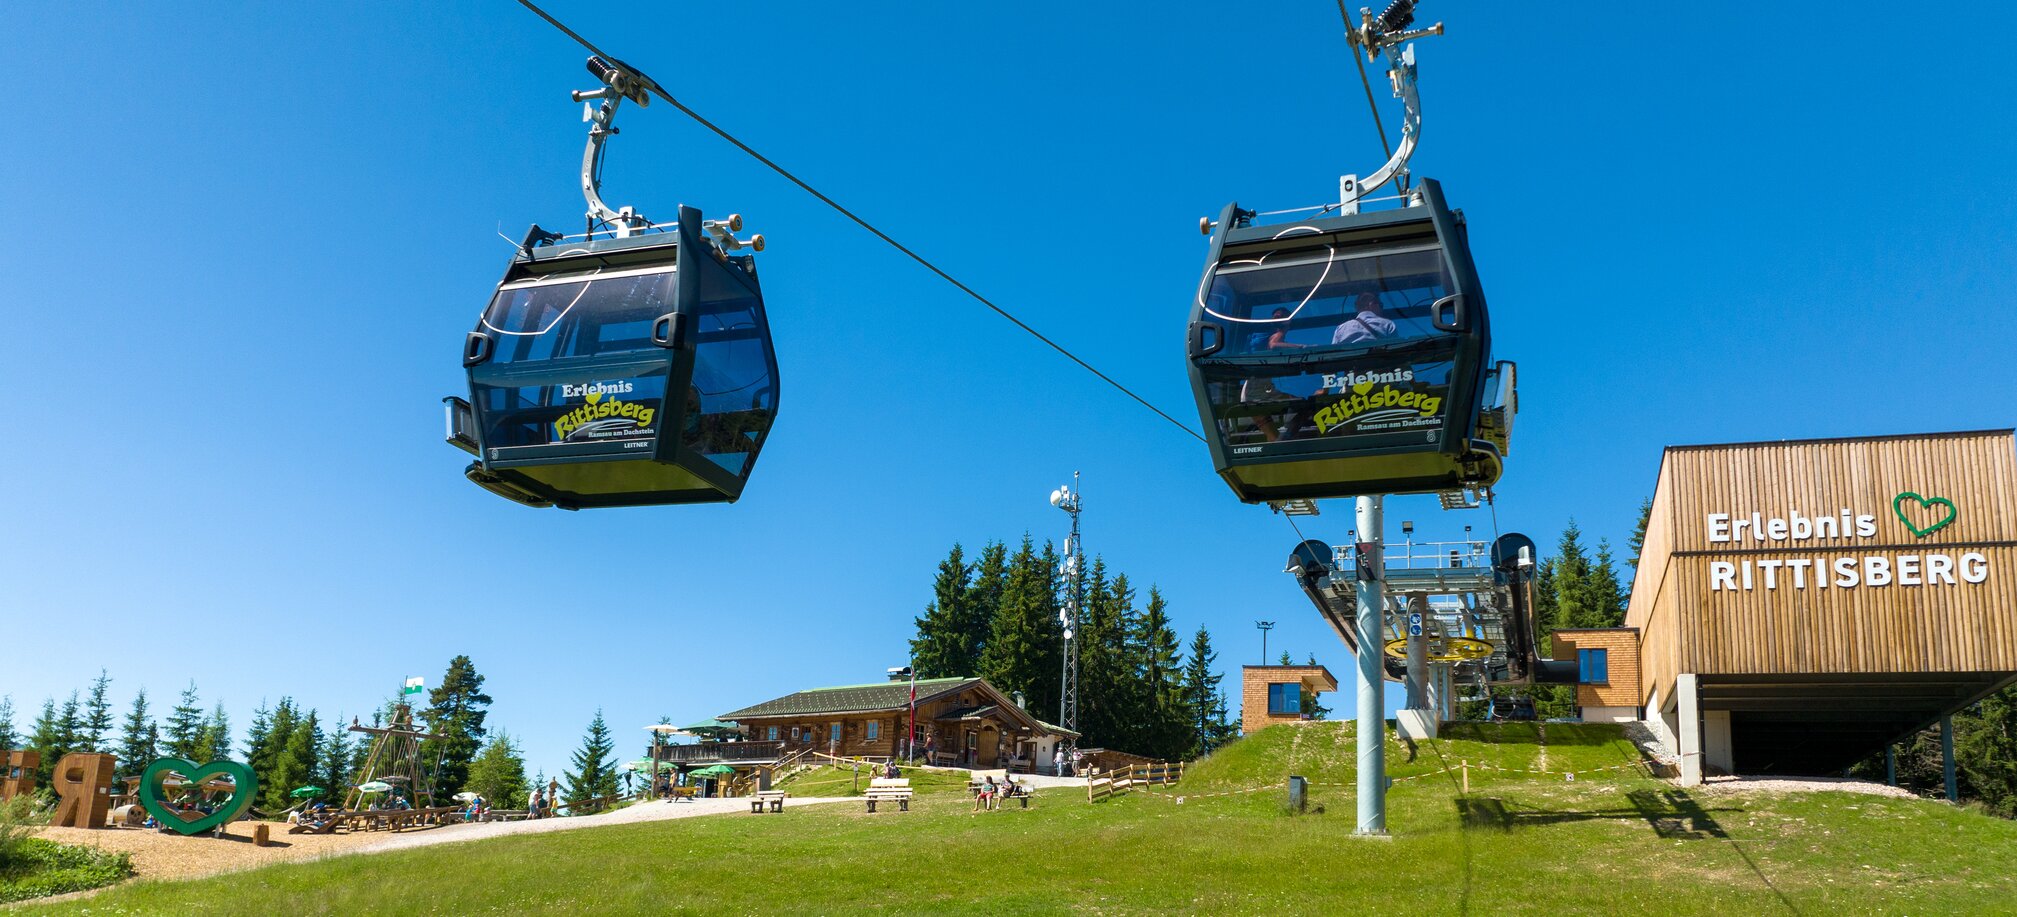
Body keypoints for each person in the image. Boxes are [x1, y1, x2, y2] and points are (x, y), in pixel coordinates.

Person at [1333, 292, 1398, 345]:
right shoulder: (1387, 324)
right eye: (1381, 305)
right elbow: (1396, 348)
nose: (1382, 309)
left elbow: (1334, 353)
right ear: (1372, 304)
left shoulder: (1341, 329)